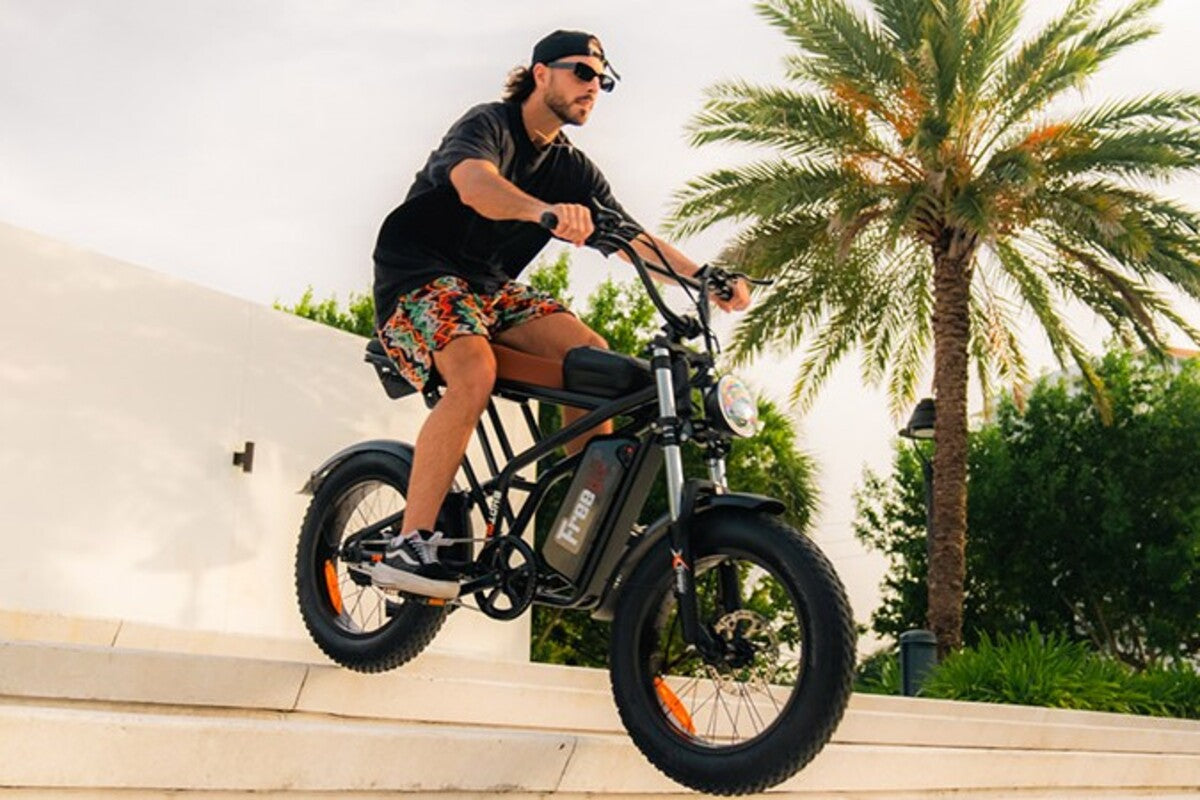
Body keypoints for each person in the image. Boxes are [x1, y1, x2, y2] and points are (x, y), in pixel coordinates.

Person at [364, 30, 751, 599]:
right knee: (474, 370)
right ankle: (410, 542)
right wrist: (541, 211)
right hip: (418, 276)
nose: (594, 87)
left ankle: (585, 525)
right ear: (540, 73)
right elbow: (475, 185)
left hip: (490, 289)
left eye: (603, 80)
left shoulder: (573, 169)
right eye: (583, 73)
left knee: (595, 363)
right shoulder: (490, 124)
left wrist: (704, 278)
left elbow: (631, 238)